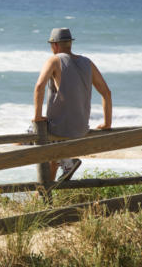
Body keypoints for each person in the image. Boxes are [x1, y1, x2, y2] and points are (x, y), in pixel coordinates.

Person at [33, 28, 112, 181]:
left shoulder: (54, 60)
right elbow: (107, 93)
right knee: (53, 157)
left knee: (21, 142)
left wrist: (37, 116)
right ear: (69, 44)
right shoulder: (87, 62)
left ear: (55, 45)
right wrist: (107, 123)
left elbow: (39, 87)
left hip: (59, 127)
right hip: (81, 128)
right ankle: (46, 195)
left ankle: (69, 163)